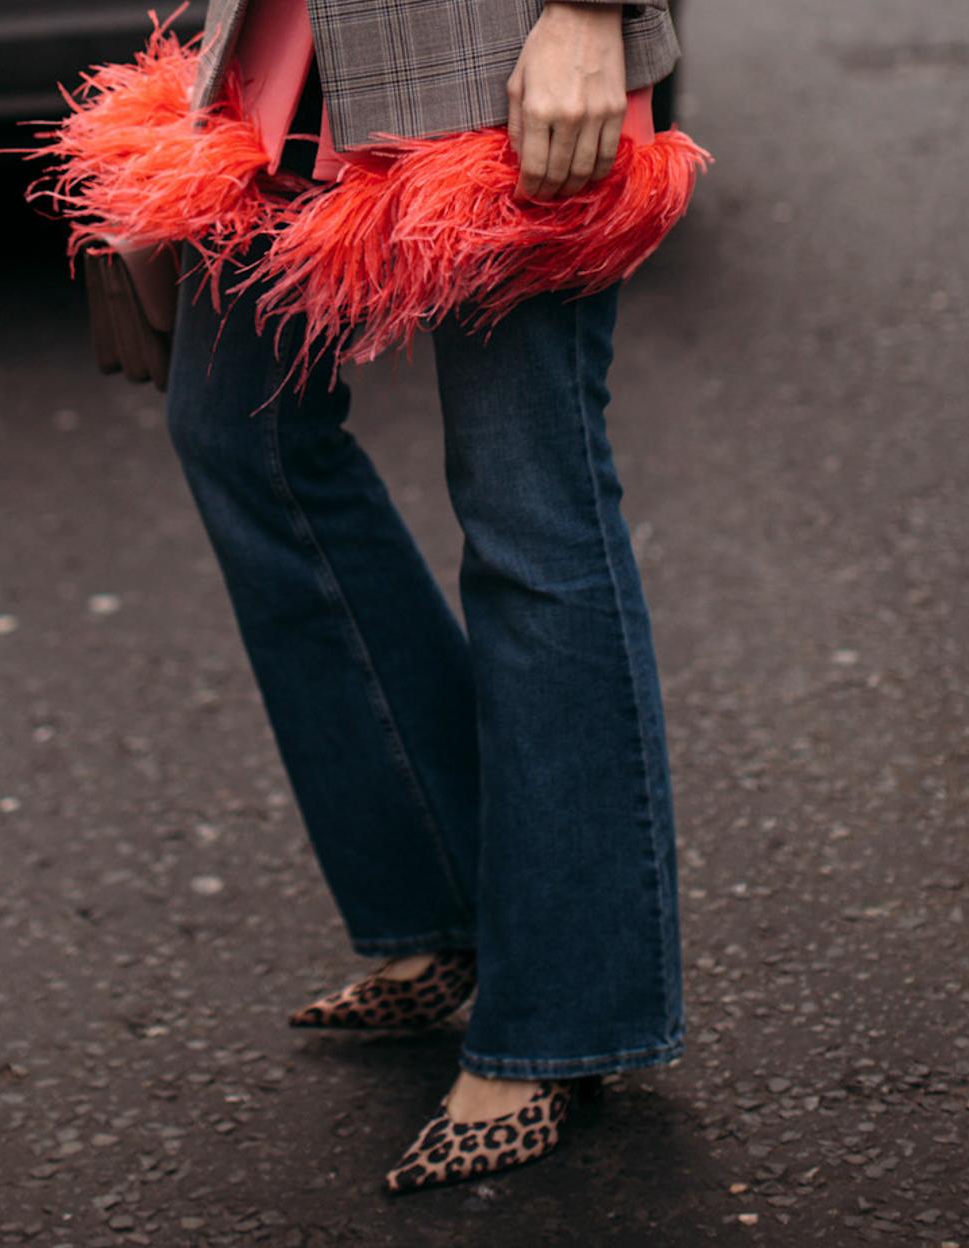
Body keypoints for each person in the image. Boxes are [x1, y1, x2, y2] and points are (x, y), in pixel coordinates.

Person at [163, 0, 688, 1195]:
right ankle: (445, 896)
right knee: (237, 429)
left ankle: (563, 1013)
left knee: (525, 494)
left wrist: (591, 14)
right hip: (288, 41)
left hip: (505, 41)